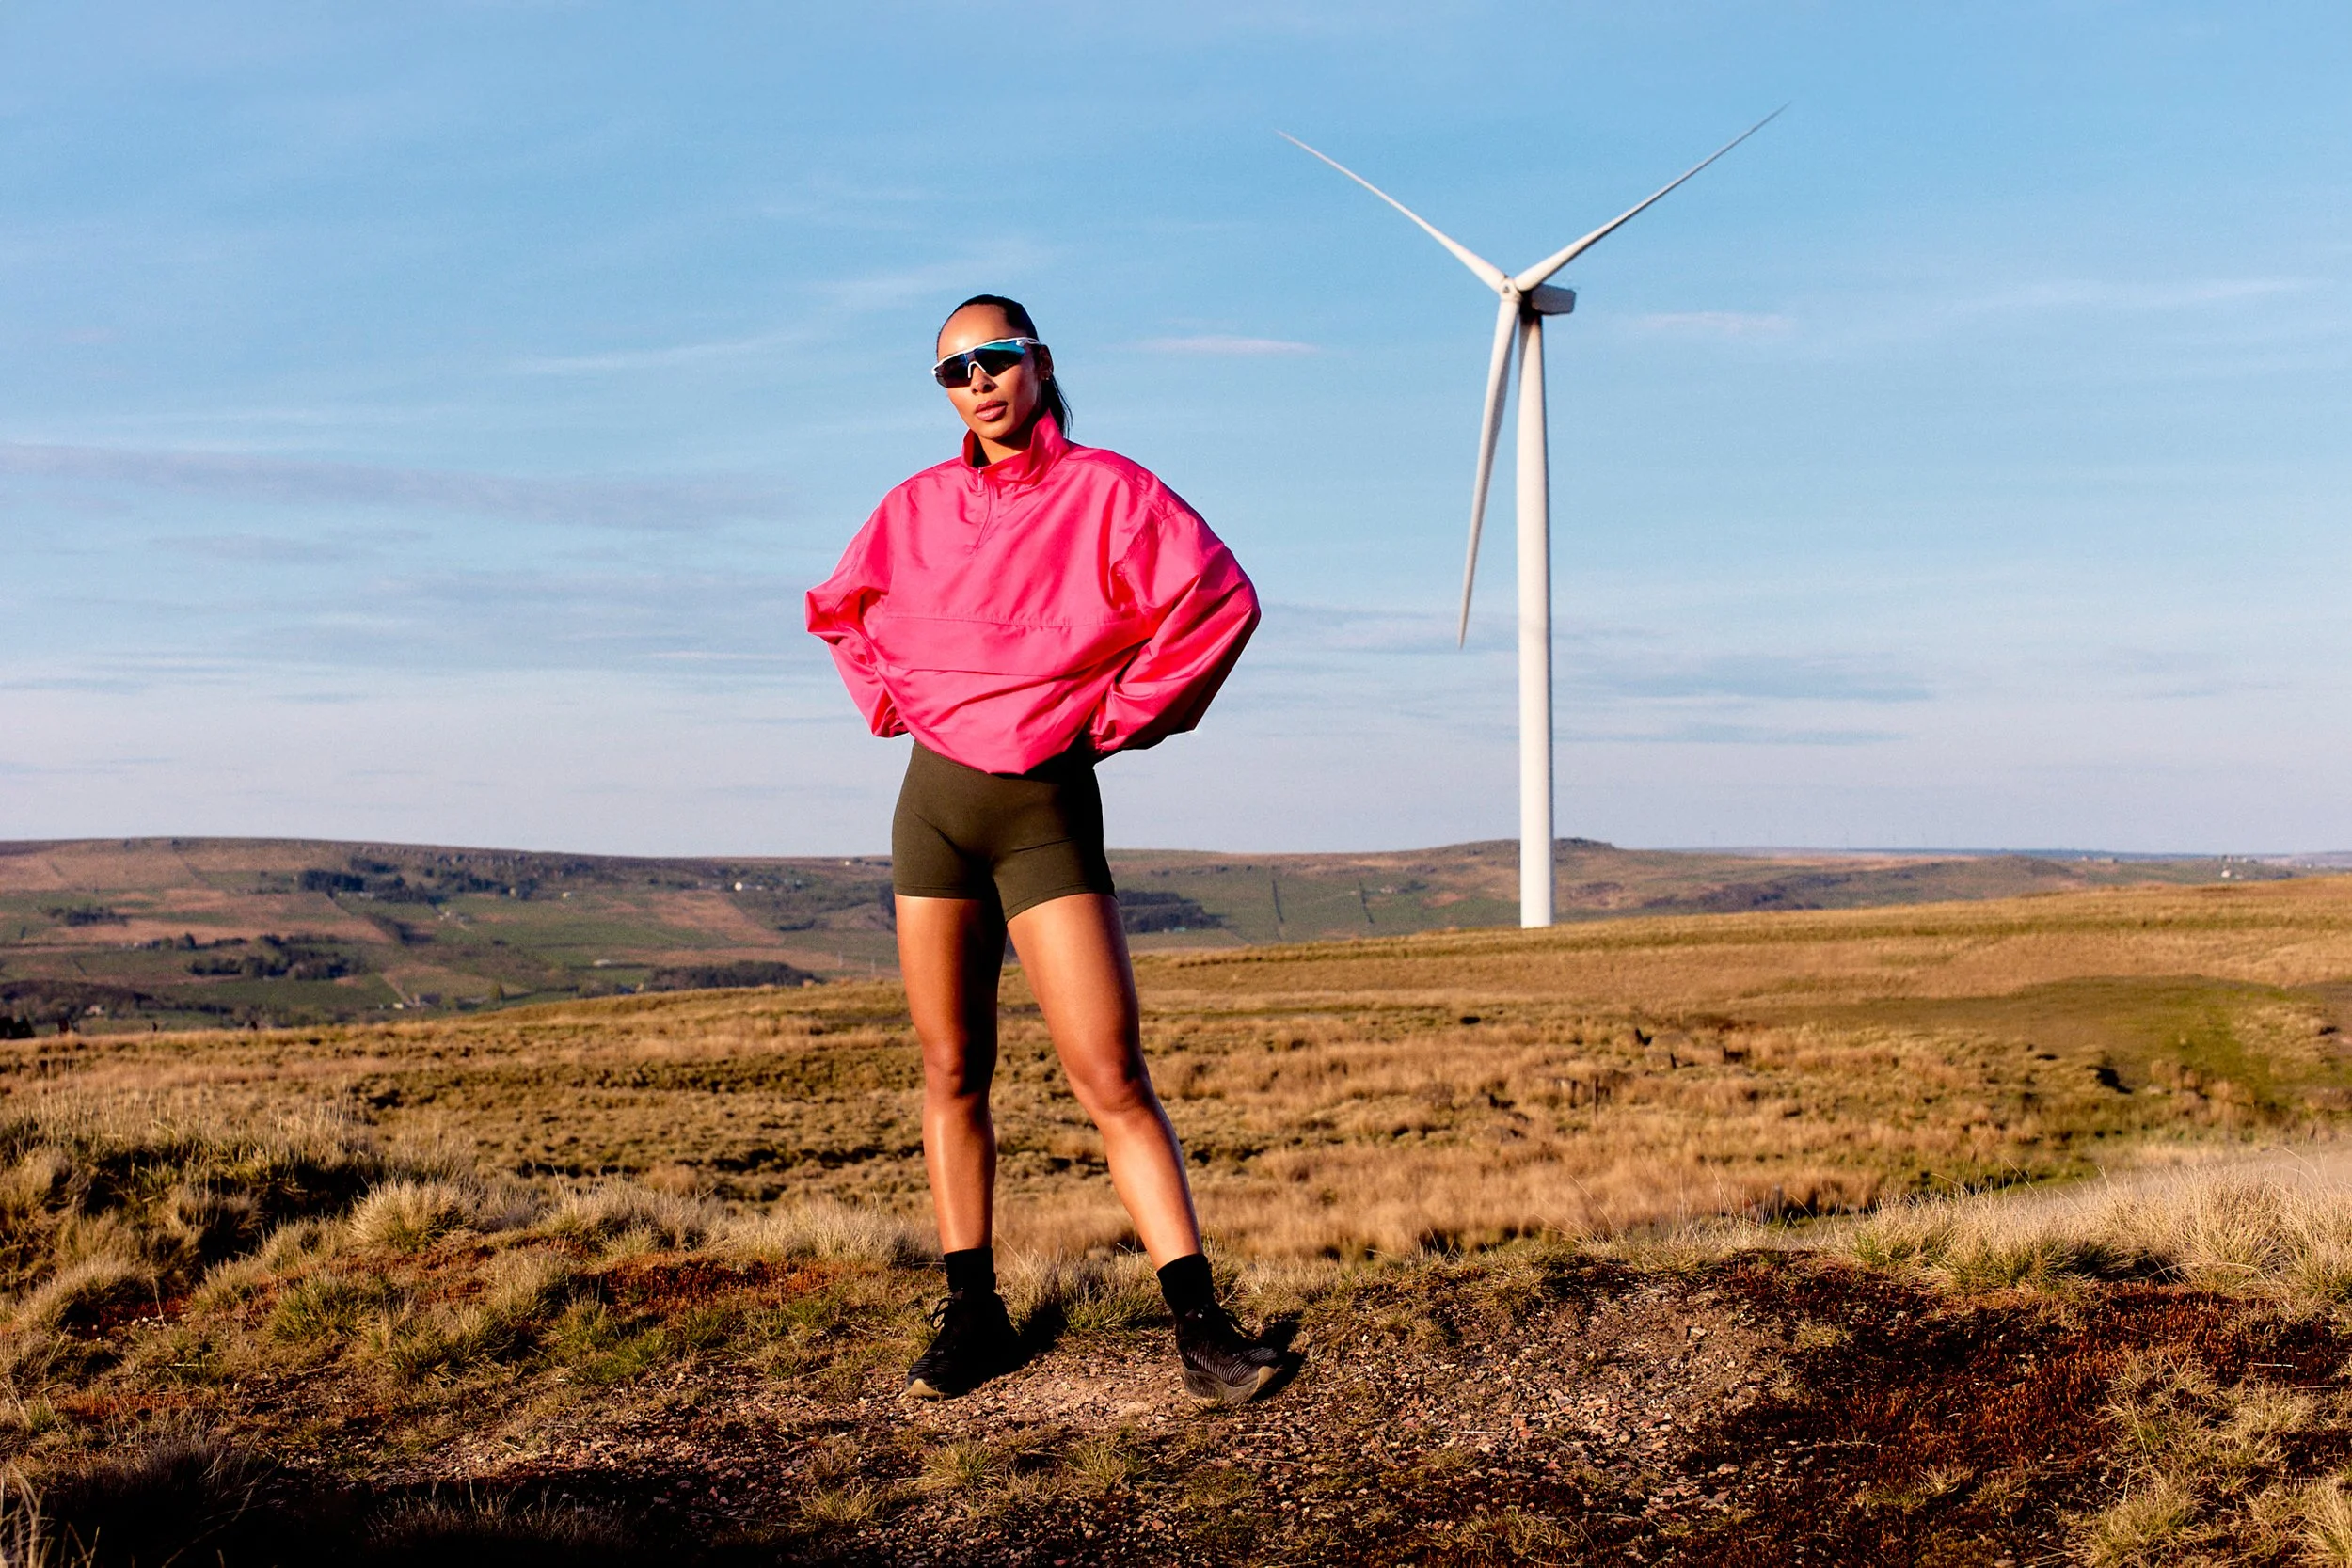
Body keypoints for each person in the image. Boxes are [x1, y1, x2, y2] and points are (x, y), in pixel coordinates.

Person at [805, 294, 1283, 1406]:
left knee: (1109, 1074)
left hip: (1044, 807)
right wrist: (890, 704)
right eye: (953, 370)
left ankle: (1201, 1324)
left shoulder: (1109, 491)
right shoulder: (913, 506)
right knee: (950, 1069)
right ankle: (972, 1312)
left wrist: (1108, 719)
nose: (977, 381)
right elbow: (839, 611)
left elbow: (1218, 599)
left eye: (995, 358)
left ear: (1038, 363)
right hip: (931, 809)